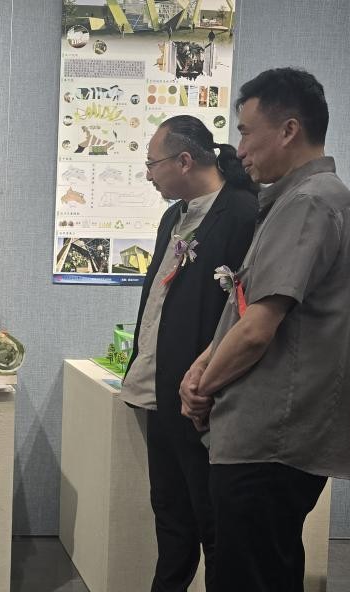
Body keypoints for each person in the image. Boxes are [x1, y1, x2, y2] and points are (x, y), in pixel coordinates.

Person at [180, 67, 350, 592]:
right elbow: (244, 308)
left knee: (248, 576)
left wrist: (201, 387)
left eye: (246, 132)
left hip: (268, 439)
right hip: (265, 438)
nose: (238, 149)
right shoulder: (297, 199)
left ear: (288, 130)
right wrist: (202, 366)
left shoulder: (310, 201)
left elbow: (258, 328)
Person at [120, 115, 258, 591]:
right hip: (162, 392)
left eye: (151, 164)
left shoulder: (242, 214)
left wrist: (208, 379)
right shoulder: (173, 217)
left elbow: (245, 313)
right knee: (171, 515)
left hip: (204, 399)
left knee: (214, 523)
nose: (148, 174)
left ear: (183, 161)